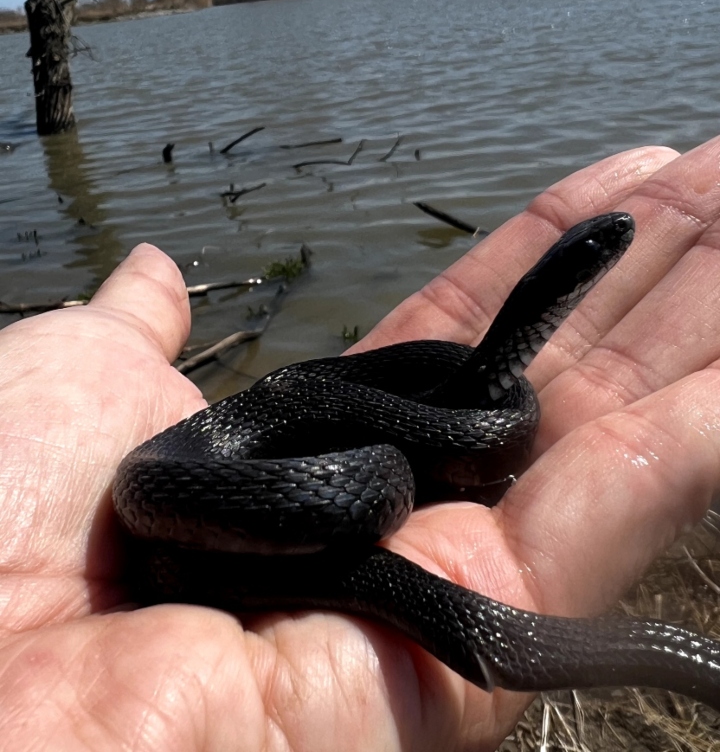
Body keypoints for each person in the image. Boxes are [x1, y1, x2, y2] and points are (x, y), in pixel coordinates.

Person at [2, 137, 720, 752]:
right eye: (597, 248)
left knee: (436, 420)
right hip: (210, 498)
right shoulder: (167, 479)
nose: (612, 243)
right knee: (363, 440)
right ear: (563, 284)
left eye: (598, 248)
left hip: (271, 478)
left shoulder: (474, 404)